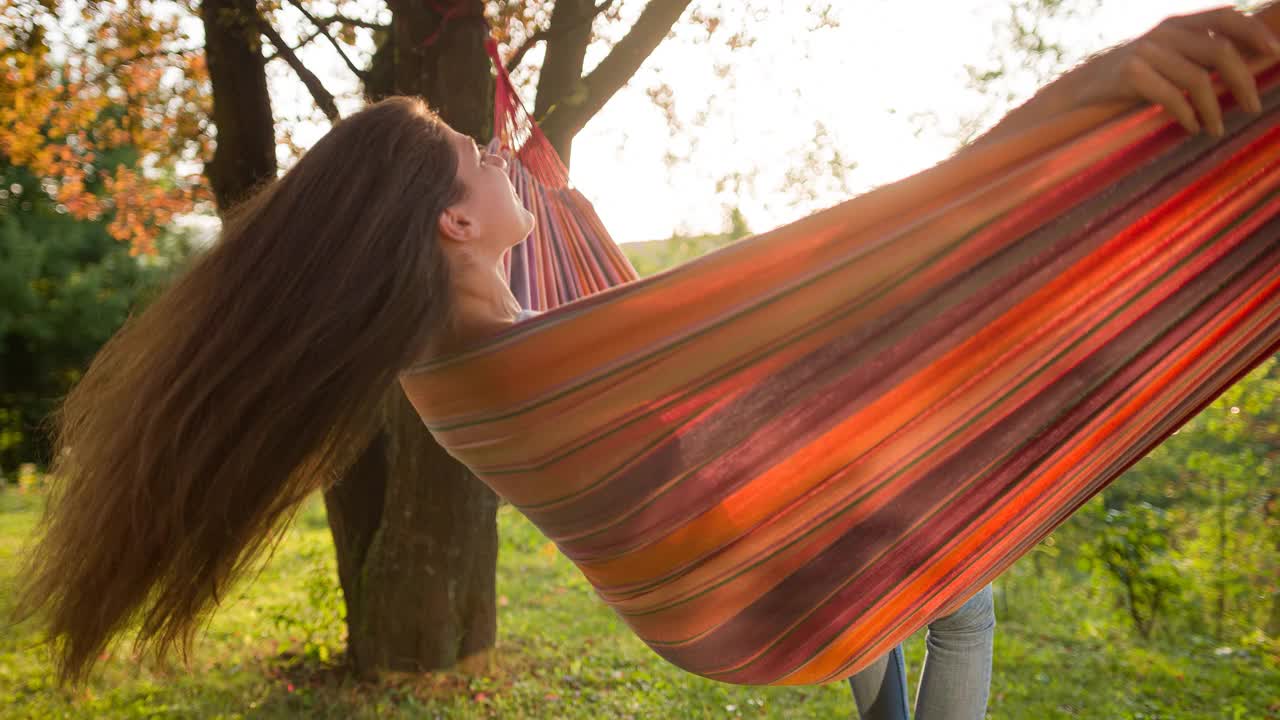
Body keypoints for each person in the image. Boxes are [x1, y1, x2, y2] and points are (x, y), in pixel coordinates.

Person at [10, 4, 1277, 699]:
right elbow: (874, 257)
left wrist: (498, 101)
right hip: (752, 533)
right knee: (956, 589)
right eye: (480, 157)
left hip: (749, 542)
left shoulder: (448, 358)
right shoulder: (548, 359)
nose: (509, 163)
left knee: (912, 587)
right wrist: (1075, 103)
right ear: (455, 221)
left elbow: (550, 207)